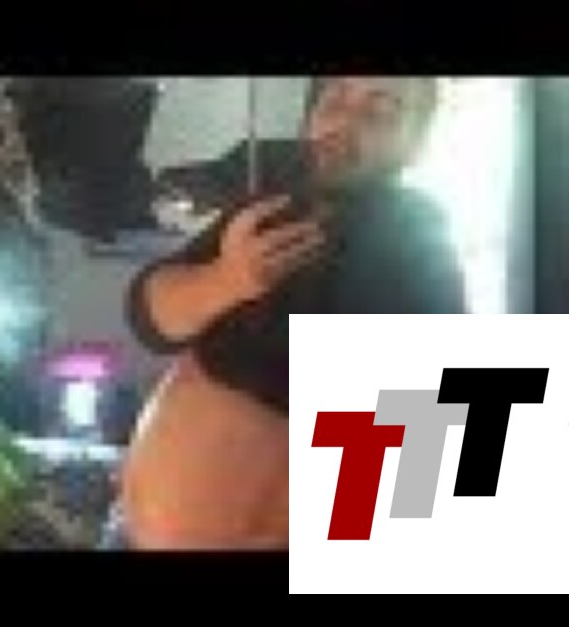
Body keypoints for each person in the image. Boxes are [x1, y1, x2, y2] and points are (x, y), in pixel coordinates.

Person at [117, 77, 467, 550]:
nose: (344, 121)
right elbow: (149, 317)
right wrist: (225, 280)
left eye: (379, 110)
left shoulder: (413, 241)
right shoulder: (272, 204)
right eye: (334, 99)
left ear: (417, 141)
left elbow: (430, 445)